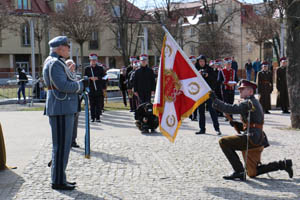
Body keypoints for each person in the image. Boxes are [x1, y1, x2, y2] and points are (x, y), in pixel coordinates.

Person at [210, 79, 293, 181]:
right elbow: (253, 123)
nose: (239, 91)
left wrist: (215, 100)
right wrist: (237, 125)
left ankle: (239, 171)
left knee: (223, 142)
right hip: (256, 136)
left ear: (250, 92)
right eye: (239, 89)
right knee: (252, 172)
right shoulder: (252, 102)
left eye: (242, 89)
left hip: (252, 137)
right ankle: (283, 164)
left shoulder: (249, 102)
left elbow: (231, 109)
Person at [43, 36, 87, 190]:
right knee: (61, 145)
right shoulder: (55, 63)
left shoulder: (57, 62)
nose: (68, 49)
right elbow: (62, 85)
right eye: (67, 46)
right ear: (60, 48)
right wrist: (80, 85)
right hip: (61, 107)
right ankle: (58, 180)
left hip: (62, 106)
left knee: (63, 144)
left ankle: (60, 177)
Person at [194, 55, 221, 135]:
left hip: (209, 93)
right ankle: (202, 129)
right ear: (198, 62)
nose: (202, 63)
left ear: (205, 62)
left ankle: (217, 129)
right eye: (200, 61)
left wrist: (208, 76)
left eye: (203, 61)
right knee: (201, 111)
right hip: (200, 93)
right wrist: (197, 75)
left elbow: (215, 80)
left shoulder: (210, 69)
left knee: (212, 111)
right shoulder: (195, 70)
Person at [84, 53, 105, 122]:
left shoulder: (100, 68)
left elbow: (104, 77)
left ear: (97, 60)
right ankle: (92, 117)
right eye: (92, 60)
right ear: (90, 60)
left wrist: (97, 78)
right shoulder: (87, 69)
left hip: (98, 88)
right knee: (92, 104)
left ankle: (98, 117)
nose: (93, 61)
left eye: (95, 60)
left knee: (98, 104)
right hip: (91, 88)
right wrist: (90, 78)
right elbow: (85, 78)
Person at [66, 59, 81, 148]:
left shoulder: (76, 76)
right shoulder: (64, 75)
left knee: (75, 123)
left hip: (76, 101)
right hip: (68, 102)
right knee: (68, 123)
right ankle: (67, 141)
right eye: (69, 65)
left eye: (72, 65)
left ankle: (73, 140)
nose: (71, 66)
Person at [189, 56, 198, 121]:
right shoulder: (187, 68)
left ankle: (195, 116)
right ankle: (189, 114)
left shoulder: (197, 68)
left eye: (194, 61)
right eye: (191, 61)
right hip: (189, 87)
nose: (193, 62)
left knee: (195, 102)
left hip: (196, 87)